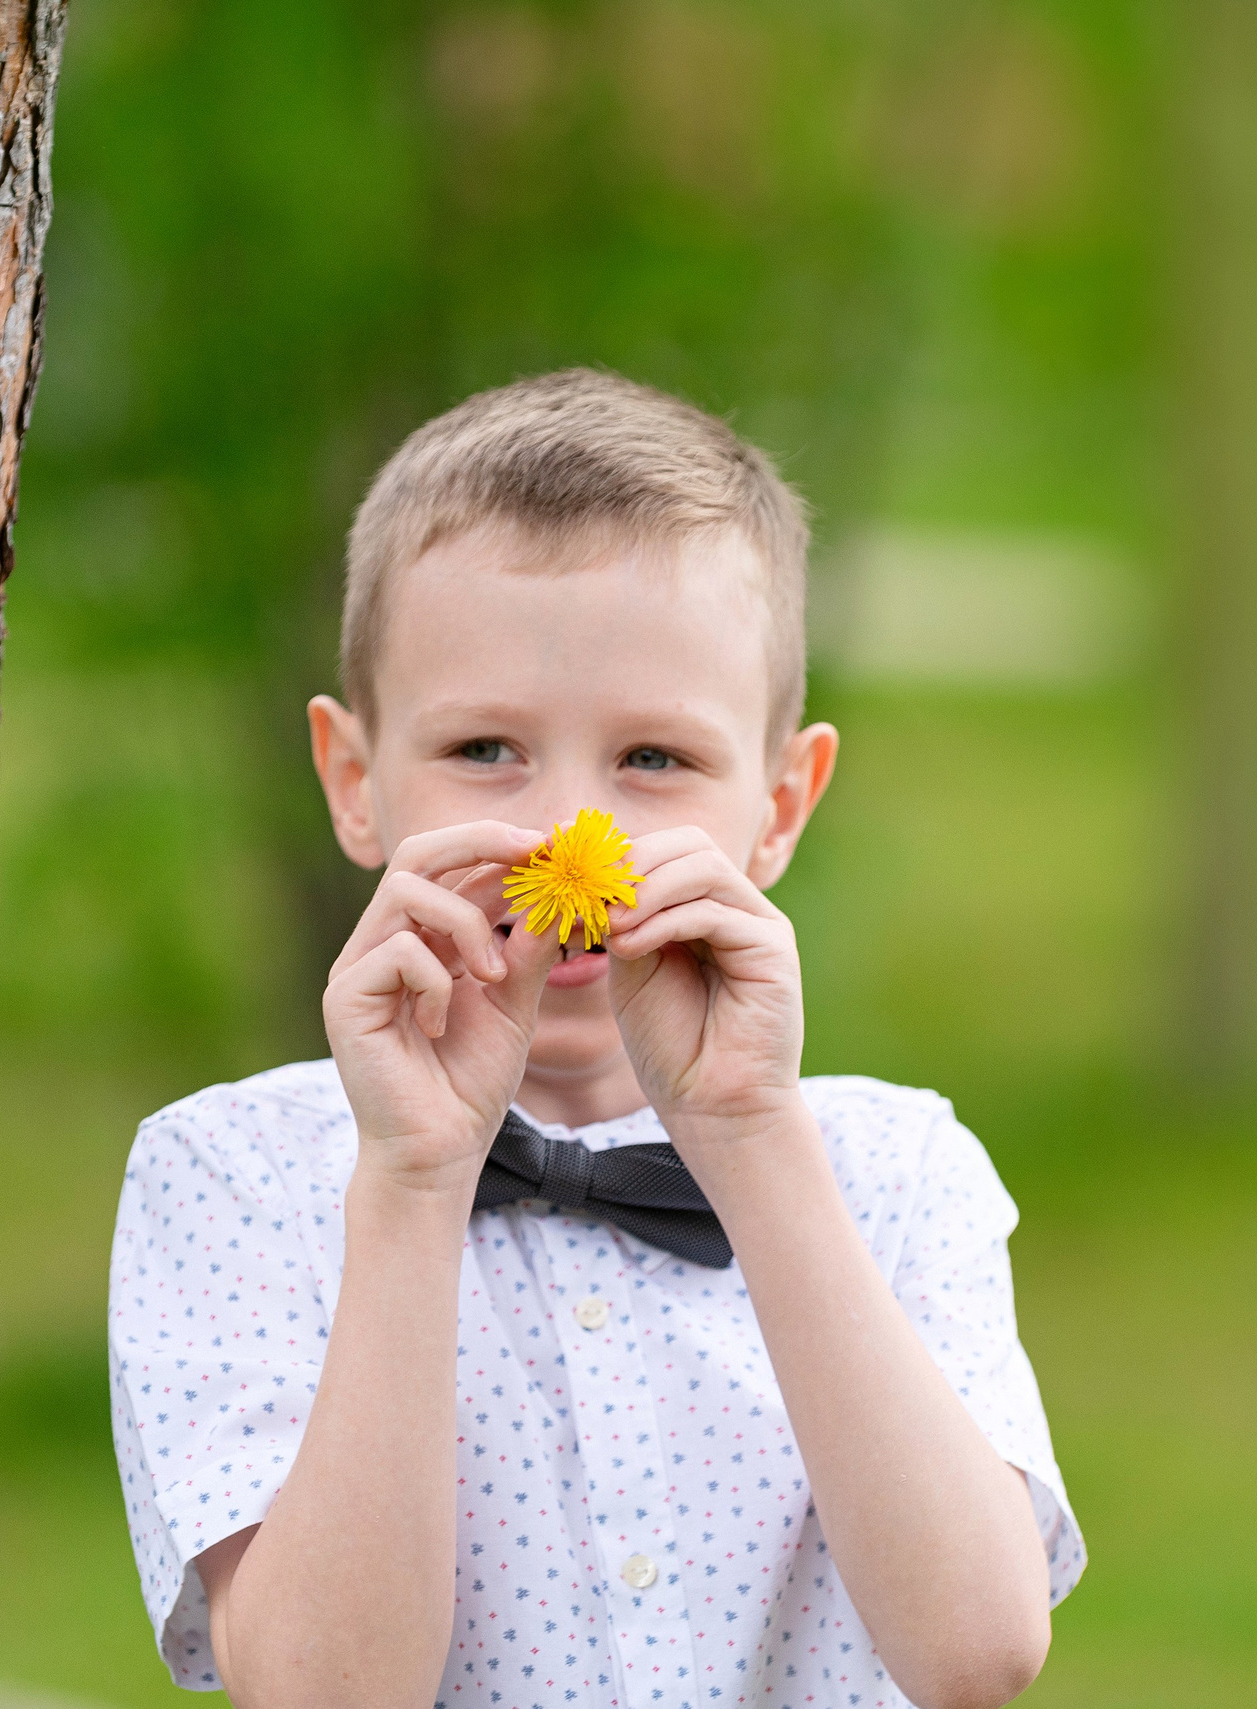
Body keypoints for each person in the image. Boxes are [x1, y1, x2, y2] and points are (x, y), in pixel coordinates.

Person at [107, 370, 1085, 1709]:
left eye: (655, 761)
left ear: (781, 801)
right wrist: (412, 1179)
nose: (577, 836)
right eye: (488, 747)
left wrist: (749, 1133)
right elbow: (325, 1694)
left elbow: (978, 1650)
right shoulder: (232, 1178)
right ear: (353, 779)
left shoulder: (898, 1170)